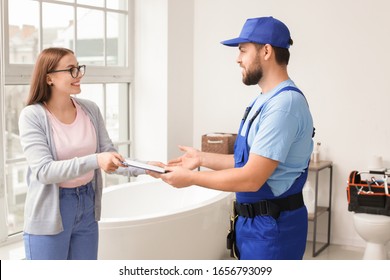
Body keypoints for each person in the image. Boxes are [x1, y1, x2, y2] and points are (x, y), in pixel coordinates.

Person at [150, 17, 314, 260]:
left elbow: (251, 178)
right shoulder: (264, 100)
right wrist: (200, 158)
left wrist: (191, 178)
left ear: (266, 51)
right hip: (255, 226)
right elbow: (247, 162)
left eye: (243, 51)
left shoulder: (283, 105)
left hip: (274, 229)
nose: (238, 59)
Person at [18, 47, 145, 260]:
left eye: (78, 68)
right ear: (49, 78)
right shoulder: (32, 116)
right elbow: (44, 171)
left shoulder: (90, 109)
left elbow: (109, 155)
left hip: (86, 205)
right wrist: (95, 160)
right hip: (50, 211)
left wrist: (150, 168)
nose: (79, 75)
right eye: (71, 69)